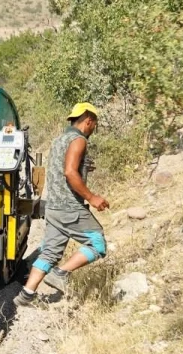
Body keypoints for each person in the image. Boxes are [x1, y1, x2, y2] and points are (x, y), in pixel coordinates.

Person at [15, 103, 111, 307]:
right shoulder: (79, 140)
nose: (94, 128)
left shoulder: (60, 140)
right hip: (69, 207)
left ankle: (26, 295)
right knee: (97, 243)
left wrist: (84, 168)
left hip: (53, 208)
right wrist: (92, 197)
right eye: (94, 124)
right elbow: (69, 172)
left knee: (49, 252)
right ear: (89, 121)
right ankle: (61, 273)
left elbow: (63, 168)